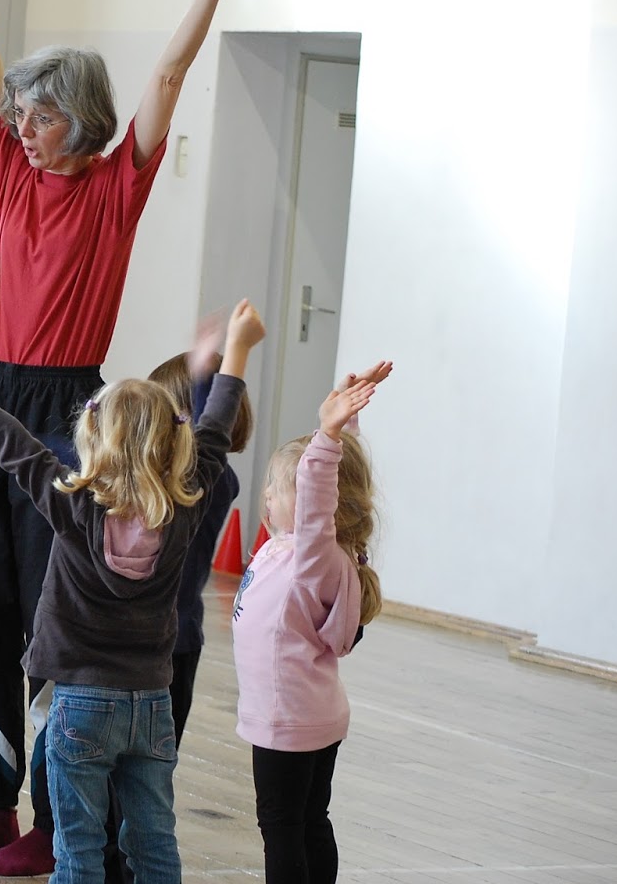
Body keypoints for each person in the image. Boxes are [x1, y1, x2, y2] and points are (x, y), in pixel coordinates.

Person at [0, 0, 290, 874]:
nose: (21, 126)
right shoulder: (10, 176)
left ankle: (51, 813)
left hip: (65, 407)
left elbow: (168, 72)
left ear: (81, 123)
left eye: (41, 114)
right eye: (18, 113)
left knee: (54, 612)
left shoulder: (114, 186)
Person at [0, 300, 263, 884]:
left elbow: (14, 443)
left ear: (93, 441)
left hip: (80, 704)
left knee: (78, 849)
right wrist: (233, 353)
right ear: (174, 445)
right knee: (153, 839)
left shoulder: (74, 506)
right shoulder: (187, 503)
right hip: (151, 703)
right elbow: (215, 427)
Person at [232, 361, 391, 884]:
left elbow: (324, 496)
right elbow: (339, 484)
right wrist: (342, 425)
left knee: (282, 827)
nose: (269, 497)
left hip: (288, 722)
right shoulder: (294, 552)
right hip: (312, 716)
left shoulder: (313, 559)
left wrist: (326, 437)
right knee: (308, 821)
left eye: (279, 489)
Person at [147, 336, 254, 743]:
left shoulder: (206, 480)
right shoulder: (215, 478)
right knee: (152, 770)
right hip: (181, 640)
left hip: (162, 646)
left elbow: (205, 437)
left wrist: (214, 372)